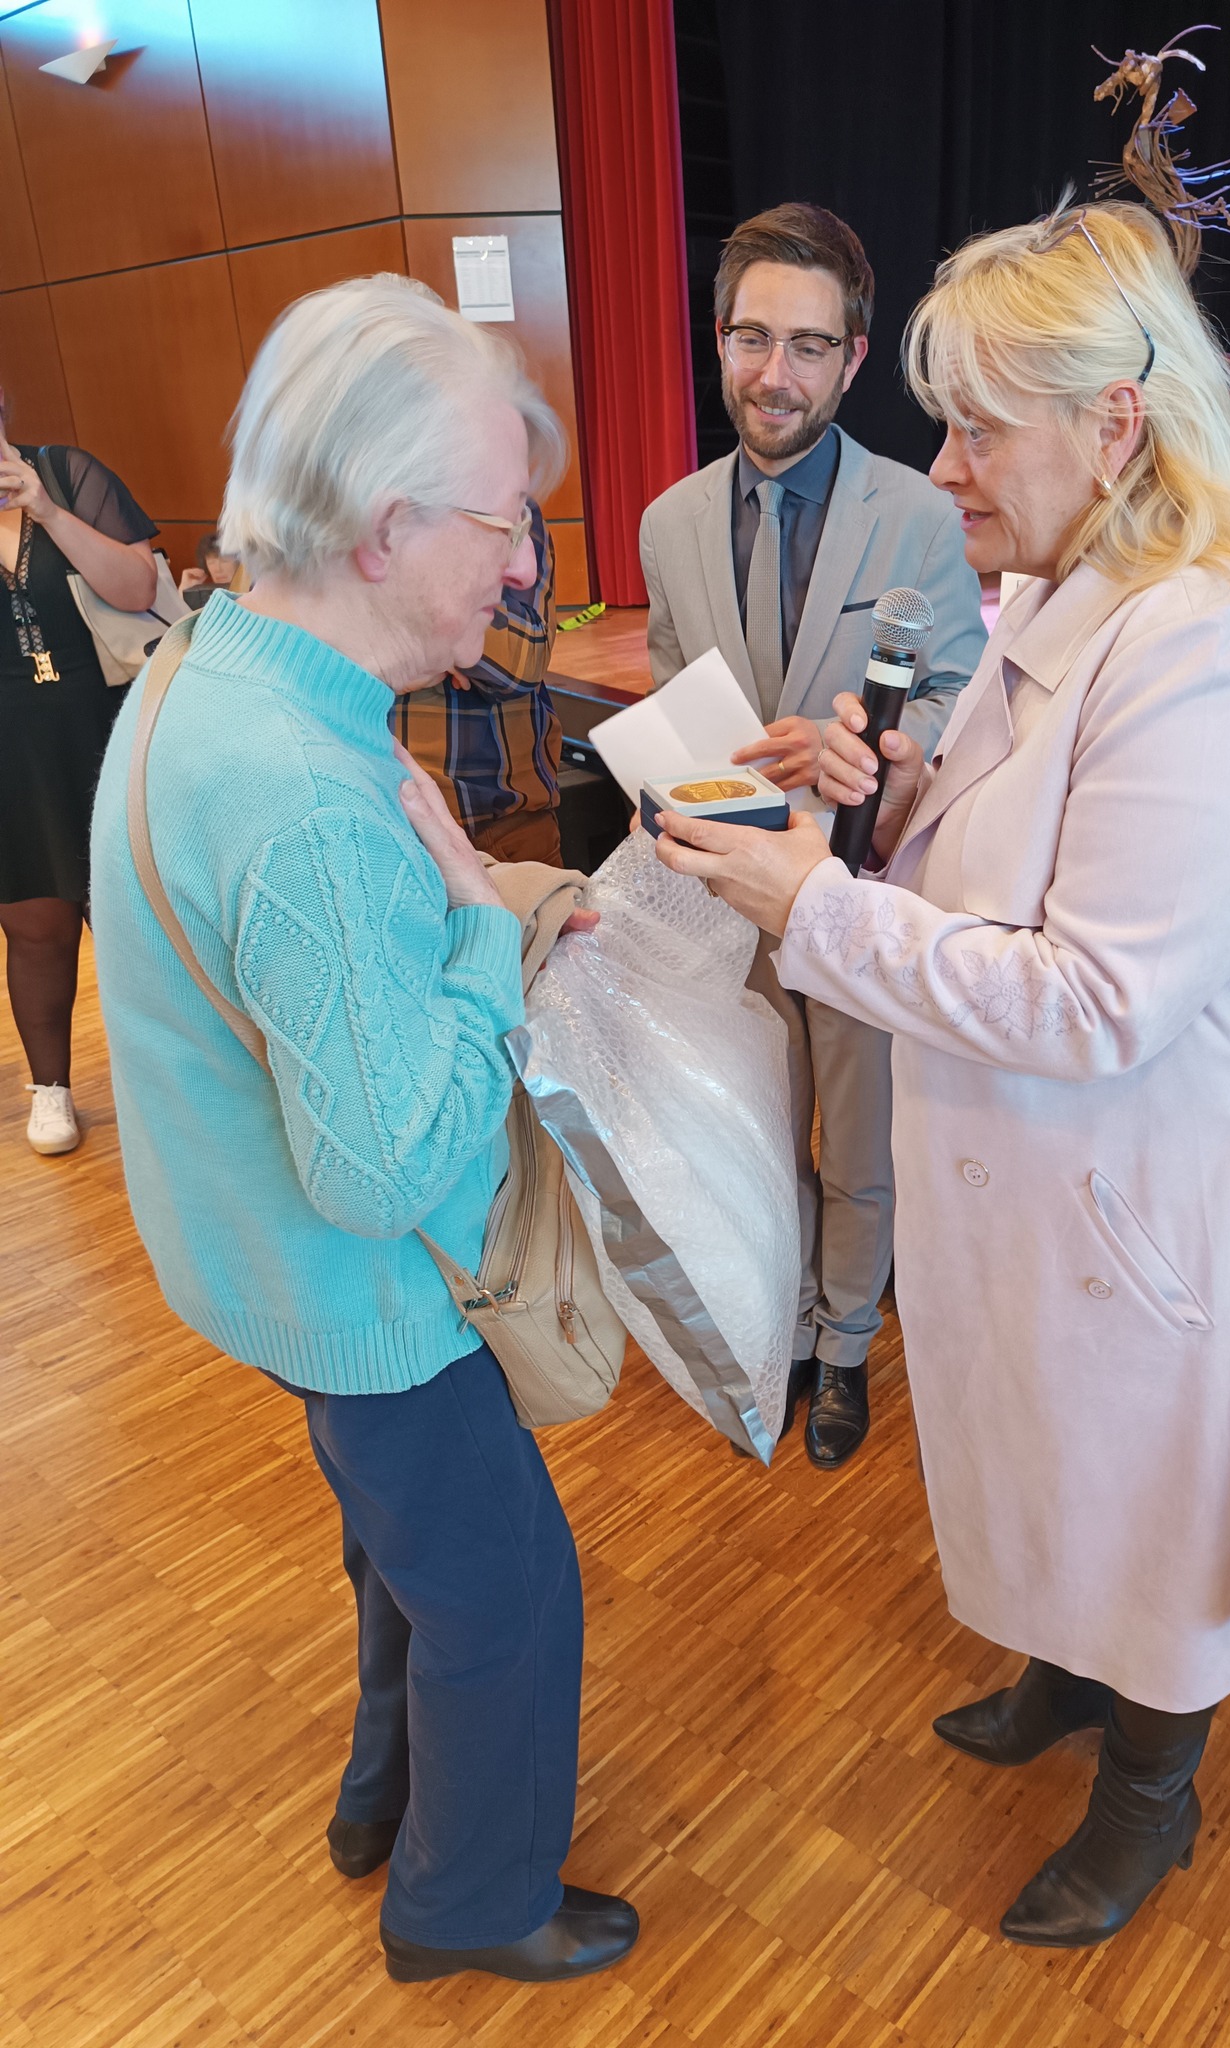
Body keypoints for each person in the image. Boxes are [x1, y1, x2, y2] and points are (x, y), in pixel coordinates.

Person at [652, 200, 1230, 1949]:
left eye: (981, 427)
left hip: (1163, 1181)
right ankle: (1070, 1670)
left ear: (1114, 424)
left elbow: (1099, 995)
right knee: (1064, 1465)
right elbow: (1017, 844)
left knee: (1158, 1502)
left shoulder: (1213, 640)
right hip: (1060, 1165)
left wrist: (815, 903)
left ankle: (1152, 1791)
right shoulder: (1074, 588)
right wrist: (902, 793)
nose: (945, 465)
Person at [89, 275, 637, 1987]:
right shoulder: (311, 793)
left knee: (409, 1550)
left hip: (255, 1264)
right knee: (507, 1591)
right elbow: (386, 1168)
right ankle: (463, 1906)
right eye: (504, 522)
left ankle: (380, 1796)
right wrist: (480, 935)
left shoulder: (206, 671)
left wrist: (461, 916)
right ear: (389, 528)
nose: (525, 568)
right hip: (366, 1292)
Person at [639, 202, 985, 1468]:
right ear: (718, 338)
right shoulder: (668, 522)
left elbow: (960, 690)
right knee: (760, 1127)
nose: (774, 373)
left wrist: (883, 751)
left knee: (860, 1138)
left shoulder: (922, 514)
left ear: (853, 358)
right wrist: (668, 780)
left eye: (808, 345)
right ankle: (784, 1320)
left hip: (857, 889)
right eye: (751, 338)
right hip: (729, 892)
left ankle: (845, 1342)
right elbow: (675, 693)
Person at [0, 404, 158, 1156]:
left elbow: (138, 588)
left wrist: (47, 509)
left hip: (107, 732)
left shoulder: (64, 472)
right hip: (11, 754)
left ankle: (168, 1081)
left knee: (139, 921)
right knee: (35, 925)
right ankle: (51, 1089)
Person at [390, 499, 566, 866]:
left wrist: (399, 631)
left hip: (503, 828)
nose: (523, 573)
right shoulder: (336, 510)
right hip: (384, 826)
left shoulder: (507, 503)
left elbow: (522, 657)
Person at [178, 531, 241, 608]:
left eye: (225, 561)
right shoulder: (206, 598)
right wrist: (185, 594)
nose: (218, 569)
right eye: (211, 562)